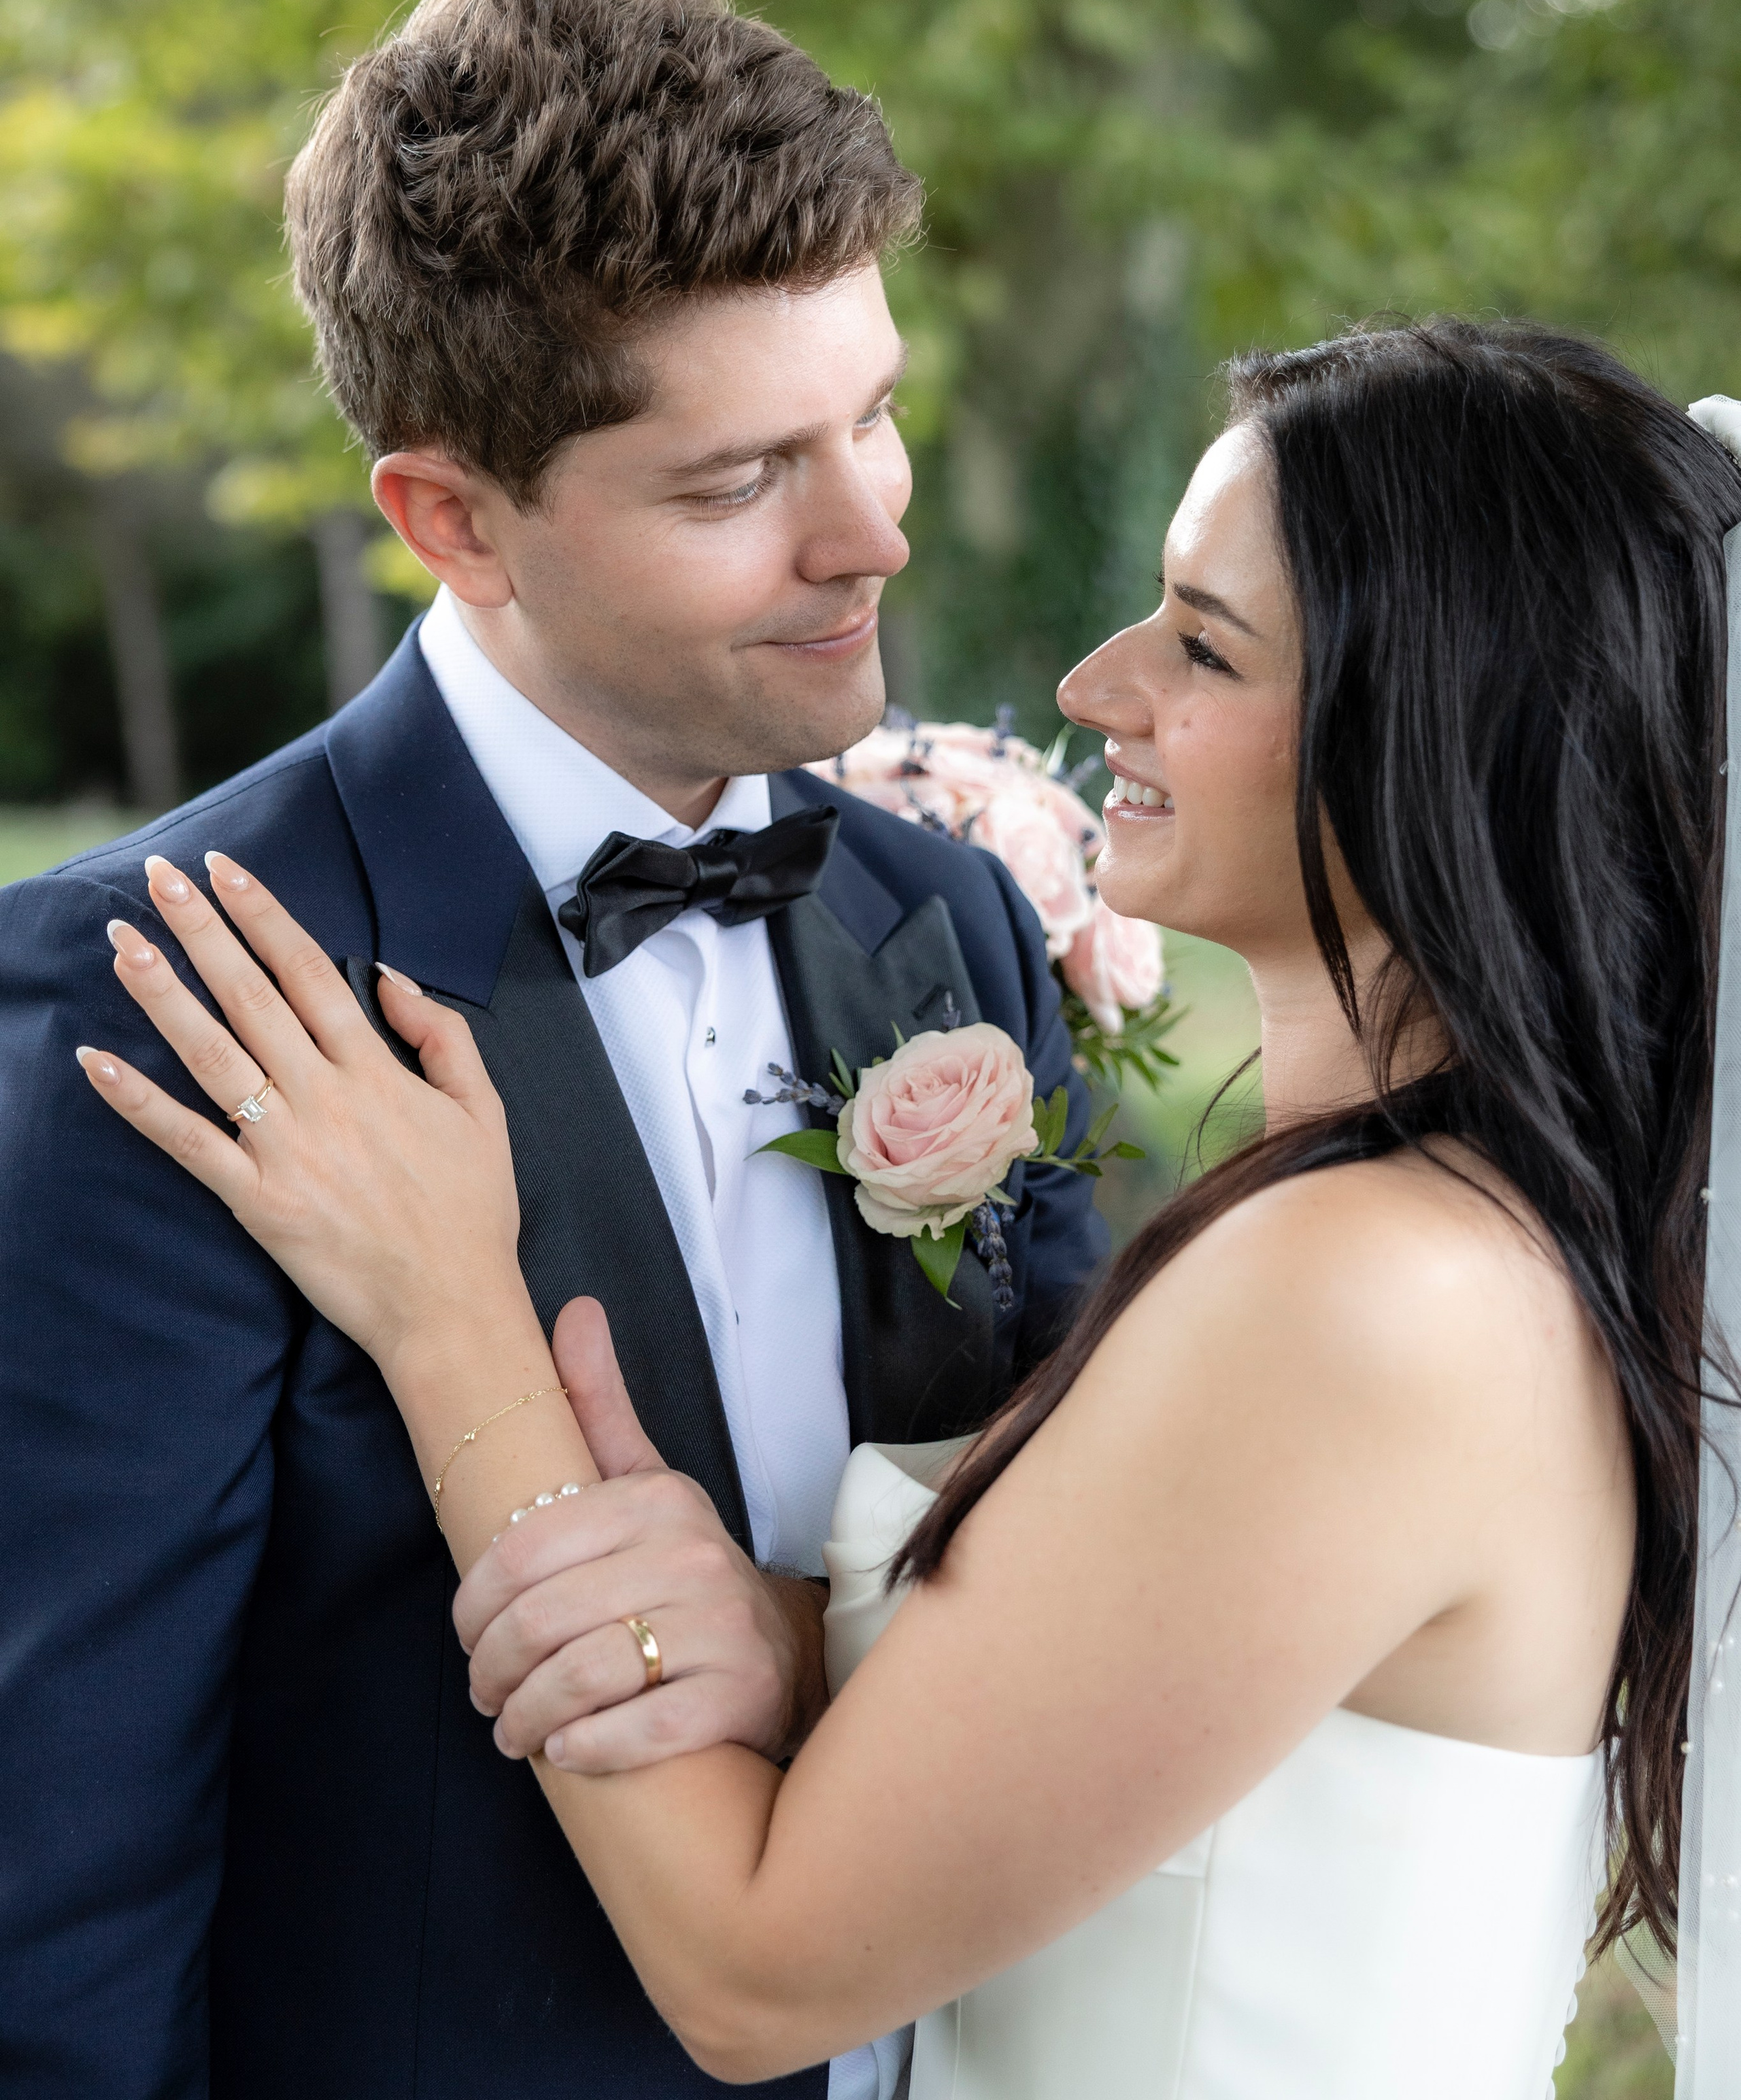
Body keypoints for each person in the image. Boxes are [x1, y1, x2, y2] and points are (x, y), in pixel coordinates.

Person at [76, 320, 1724, 2097]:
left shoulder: (1375, 1290)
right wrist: (793, 1626)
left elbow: (756, 1975)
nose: (1098, 688)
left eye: (1204, 645)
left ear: (1436, 744)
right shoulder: (1440, 1235)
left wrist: (446, 1306)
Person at [0, 0, 1106, 2100]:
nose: (870, 530)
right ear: (452, 520)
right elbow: (55, 1868)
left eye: (872, 408)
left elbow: (1053, 1565)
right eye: (738, 482)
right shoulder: (169, 991)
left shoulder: (946, 915)